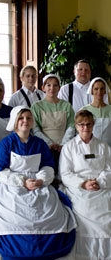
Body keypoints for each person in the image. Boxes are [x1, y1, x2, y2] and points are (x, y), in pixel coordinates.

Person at [0, 105, 76, 260]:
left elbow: (48, 166)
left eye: (28, 118)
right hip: (12, 185)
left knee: (48, 211)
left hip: (37, 183)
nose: (25, 121)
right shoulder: (6, 144)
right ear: (14, 121)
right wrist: (22, 181)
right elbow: (0, 171)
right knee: (13, 216)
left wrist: (40, 180)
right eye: (21, 118)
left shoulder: (40, 143)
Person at [59, 110, 111, 259]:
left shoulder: (103, 146)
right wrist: (83, 183)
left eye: (88, 124)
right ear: (76, 126)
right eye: (81, 125)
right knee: (83, 213)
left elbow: (109, 169)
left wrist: (99, 182)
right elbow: (65, 173)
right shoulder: (69, 147)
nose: (85, 128)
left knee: (106, 218)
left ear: (93, 125)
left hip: (102, 187)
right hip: (79, 189)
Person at [31, 74, 75, 172]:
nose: (52, 88)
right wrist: (49, 144)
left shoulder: (66, 106)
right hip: (44, 147)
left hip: (65, 147)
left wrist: (63, 145)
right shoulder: (36, 107)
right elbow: (35, 128)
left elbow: (71, 127)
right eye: (48, 85)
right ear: (43, 88)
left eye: (55, 85)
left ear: (59, 88)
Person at [81, 77, 111, 147]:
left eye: (102, 89)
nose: (99, 92)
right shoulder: (84, 110)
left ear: (105, 91)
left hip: (109, 147)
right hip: (90, 147)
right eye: (96, 89)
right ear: (92, 91)